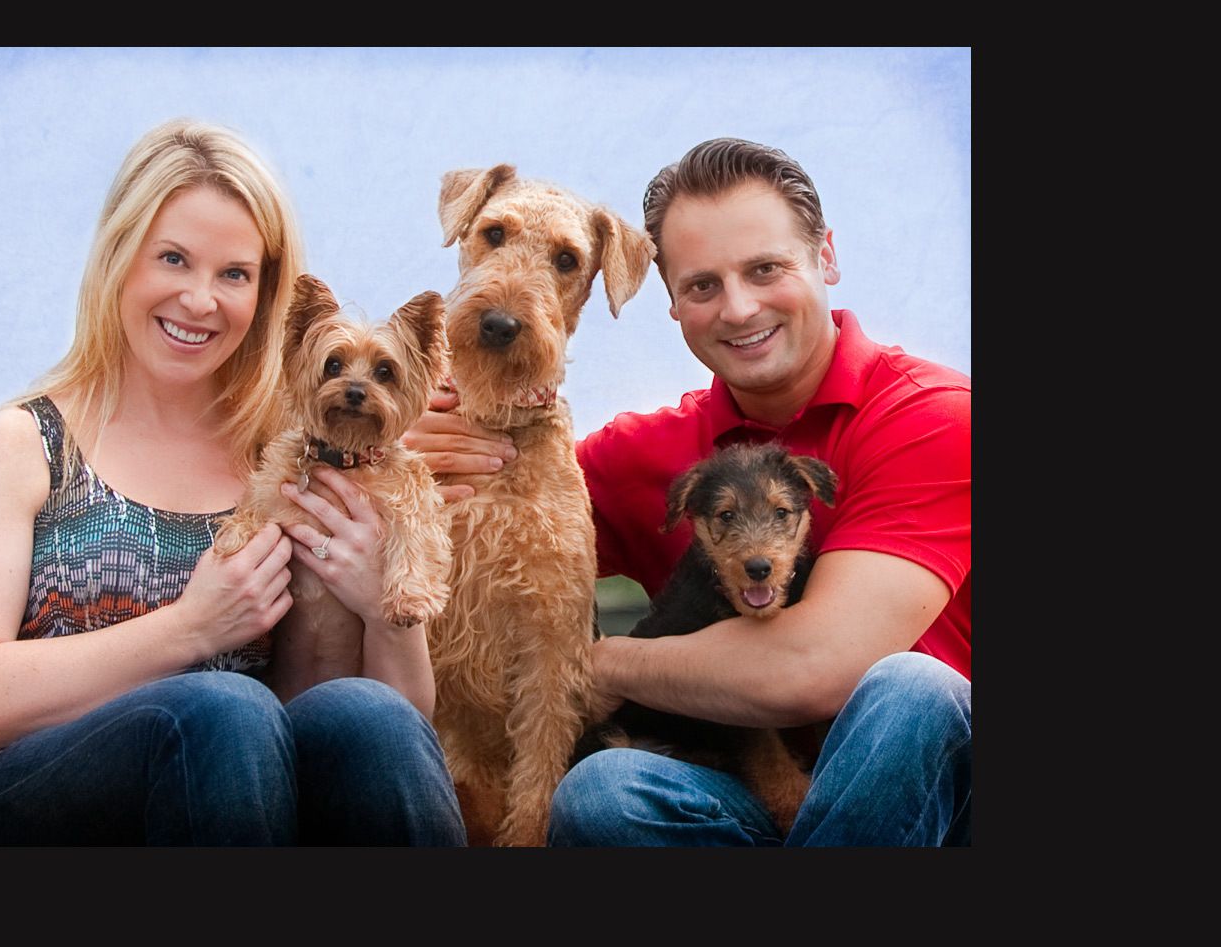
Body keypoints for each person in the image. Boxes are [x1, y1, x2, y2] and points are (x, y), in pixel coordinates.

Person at [407, 137, 970, 846]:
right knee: (605, 790)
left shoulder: (932, 414)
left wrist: (608, 662)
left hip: (927, 801)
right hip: (733, 790)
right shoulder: (636, 453)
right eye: (703, 285)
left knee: (911, 693)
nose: (738, 309)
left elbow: (816, 668)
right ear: (669, 300)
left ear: (825, 256)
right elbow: (496, 552)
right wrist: (411, 450)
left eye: (766, 268)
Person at [0, 119, 466, 846]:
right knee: (224, 709)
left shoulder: (293, 453)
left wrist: (385, 607)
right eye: (173, 258)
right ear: (119, 259)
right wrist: (189, 629)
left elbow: (405, 716)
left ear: (265, 296)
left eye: (233, 274)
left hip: (235, 794)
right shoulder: (27, 443)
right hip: (32, 797)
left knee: (369, 717)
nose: (200, 300)